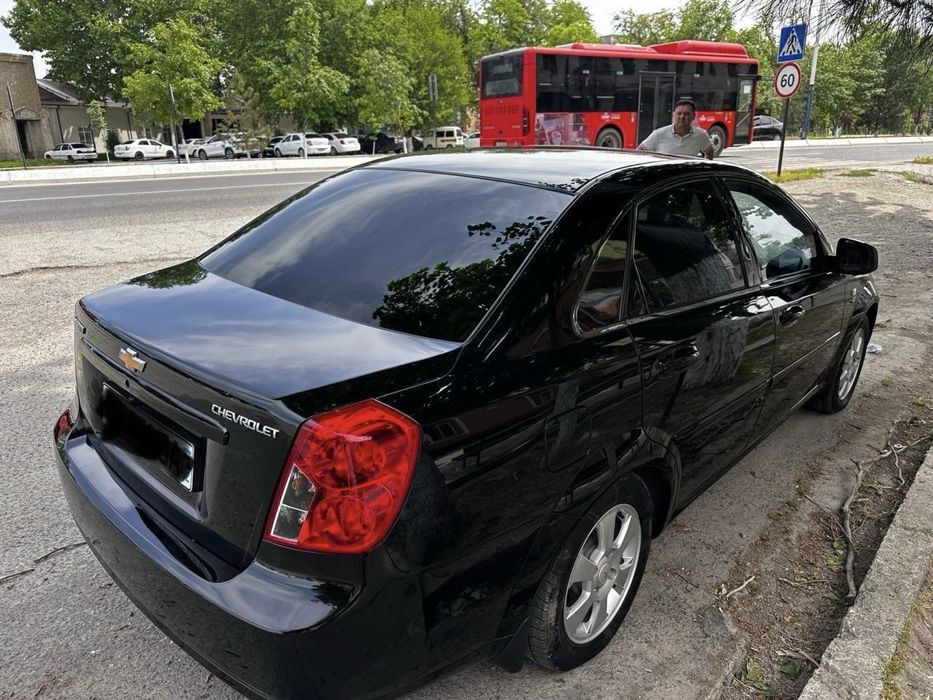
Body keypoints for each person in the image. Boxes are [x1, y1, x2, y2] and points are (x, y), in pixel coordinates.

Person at [637, 99, 715, 159]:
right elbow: (638, 152)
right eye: (679, 113)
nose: (682, 117)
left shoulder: (700, 135)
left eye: (687, 114)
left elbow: (709, 152)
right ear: (674, 115)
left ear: (693, 116)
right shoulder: (659, 134)